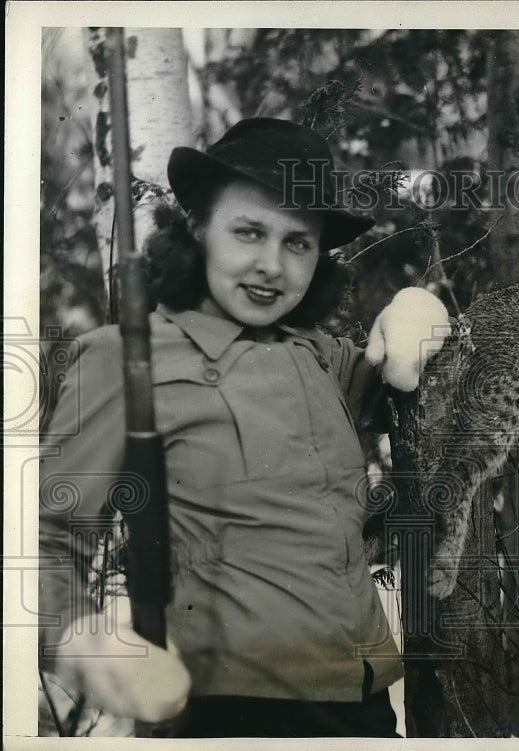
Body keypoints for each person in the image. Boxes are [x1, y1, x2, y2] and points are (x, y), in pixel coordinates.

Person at [38, 118, 449, 737]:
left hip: (362, 703)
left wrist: (419, 312)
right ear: (198, 229)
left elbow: (404, 382)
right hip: (224, 711)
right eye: (249, 233)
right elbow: (42, 535)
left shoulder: (322, 357)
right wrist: (80, 640)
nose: (272, 266)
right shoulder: (125, 358)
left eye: (297, 243)